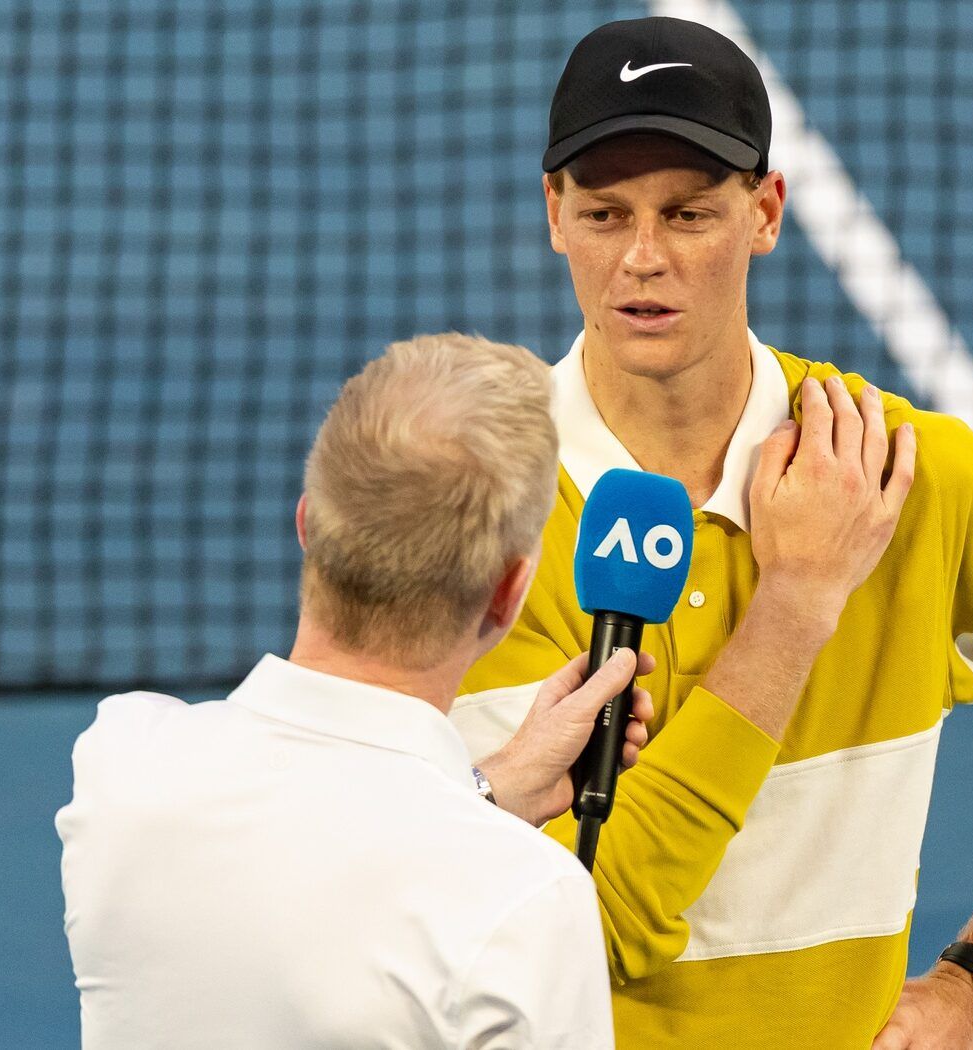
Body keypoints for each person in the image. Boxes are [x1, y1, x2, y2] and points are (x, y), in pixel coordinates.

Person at [451, 17, 973, 1049]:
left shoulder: (909, 482)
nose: (641, 259)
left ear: (765, 213)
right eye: (604, 213)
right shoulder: (477, 514)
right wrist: (796, 599)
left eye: (688, 214)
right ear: (554, 215)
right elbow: (589, 930)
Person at [57, 333, 665, 1049]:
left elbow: (321, 859)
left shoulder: (122, 762)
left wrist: (489, 790)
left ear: (308, 524)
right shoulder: (527, 897)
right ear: (508, 592)